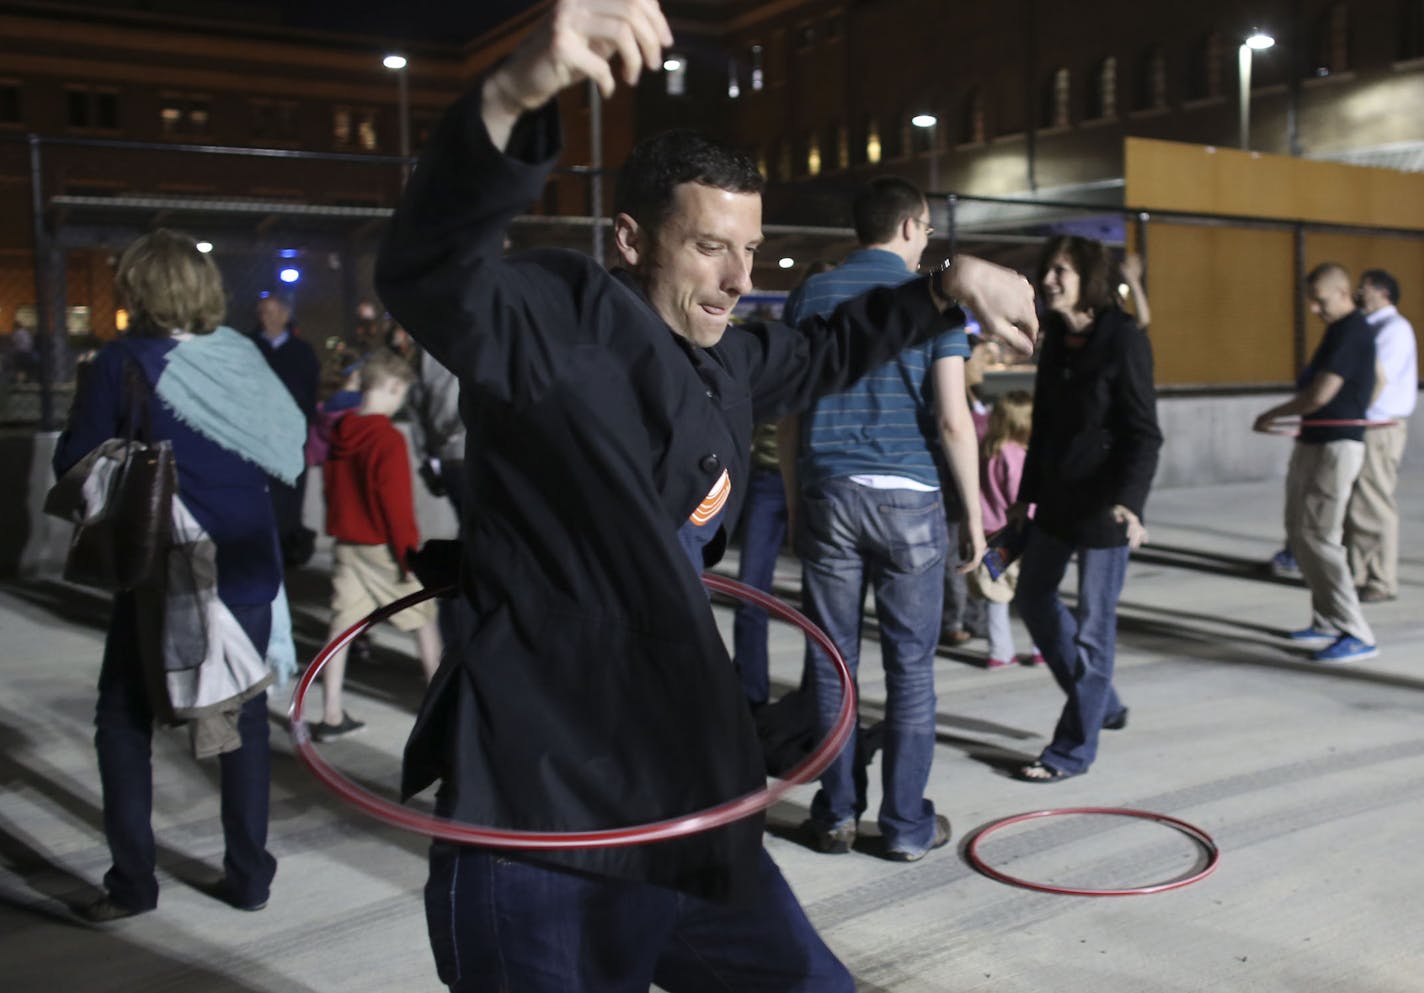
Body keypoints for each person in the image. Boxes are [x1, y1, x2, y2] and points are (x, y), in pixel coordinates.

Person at [373, 1, 1038, 988]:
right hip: (541, 807)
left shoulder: (725, 363)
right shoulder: (557, 319)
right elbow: (430, 271)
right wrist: (513, 92)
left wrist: (943, 286)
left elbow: (827, 348)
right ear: (632, 238)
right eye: (706, 248)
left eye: (749, 250)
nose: (736, 280)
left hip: (680, 793)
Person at [53, 229, 305, 921]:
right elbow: (287, 452)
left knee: (124, 718)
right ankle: (249, 875)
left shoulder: (120, 362)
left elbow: (74, 467)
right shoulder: (244, 357)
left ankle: (133, 883)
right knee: (242, 717)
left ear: (137, 291)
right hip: (249, 558)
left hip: (169, 566)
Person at [781, 176, 983, 862]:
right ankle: (902, 826)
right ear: (910, 226)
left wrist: (792, 500)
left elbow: (789, 409)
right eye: (925, 230)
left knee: (834, 666)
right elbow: (955, 421)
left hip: (830, 491)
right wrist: (977, 523)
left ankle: (835, 814)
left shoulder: (813, 292)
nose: (926, 241)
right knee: (912, 671)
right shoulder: (938, 301)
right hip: (910, 499)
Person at [1010, 235, 1162, 783]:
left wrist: (1130, 502)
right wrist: (1023, 498)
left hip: (1106, 506)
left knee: (1095, 630)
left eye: (1061, 271)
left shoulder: (1123, 340)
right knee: (1032, 596)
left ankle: (1071, 751)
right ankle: (1104, 703)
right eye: (1047, 269)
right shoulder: (1055, 340)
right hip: (1055, 497)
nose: (1048, 278)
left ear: (1089, 279)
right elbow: (1044, 427)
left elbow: (1144, 433)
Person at [1254, 263, 1379, 662]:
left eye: (1320, 300)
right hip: (1316, 439)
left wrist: (1275, 413)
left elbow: (1321, 393)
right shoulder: (1340, 331)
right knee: (1299, 532)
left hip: (1336, 445)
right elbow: (1376, 379)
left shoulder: (1353, 330)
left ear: (1343, 293)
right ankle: (1326, 619)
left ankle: (1356, 632)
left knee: (1321, 538)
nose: (1314, 308)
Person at [315, 348, 442, 739]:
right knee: (423, 620)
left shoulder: (341, 432)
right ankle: (443, 707)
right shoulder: (386, 439)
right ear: (391, 386)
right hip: (384, 547)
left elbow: (331, 489)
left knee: (341, 627)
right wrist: (409, 556)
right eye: (400, 393)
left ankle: (331, 713)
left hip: (348, 543)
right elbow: (396, 505)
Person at [1345, 268, 1416, 603]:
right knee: (1358, 502)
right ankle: (1358, 572)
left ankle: (1381, 578)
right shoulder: (1375, 326)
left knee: (1374, 502)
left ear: (1381, 292)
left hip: (1378, 425)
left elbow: (1378, 379)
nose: (1359, 295)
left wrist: (1355, 413)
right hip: (1370, 424)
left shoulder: (1392, 328)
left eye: (1364, 289)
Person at [249, 291, 321, 566]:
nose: (266, 318)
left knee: (290, 494)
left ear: (284, 315)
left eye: (271, 312)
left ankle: (287, 543)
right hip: (256, 435)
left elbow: (309, 393)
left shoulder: (302, 351)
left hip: (289, 436)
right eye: (262, 313)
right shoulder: (250, 347)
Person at [976, 390, 1041, 668]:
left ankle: (1000, 652)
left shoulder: (986, 451)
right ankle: (1041, 647)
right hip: (1019, 533)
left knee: (997, 594)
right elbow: (1020, 497)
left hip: (989, 533)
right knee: (1035, 591)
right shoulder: (1017, 456)